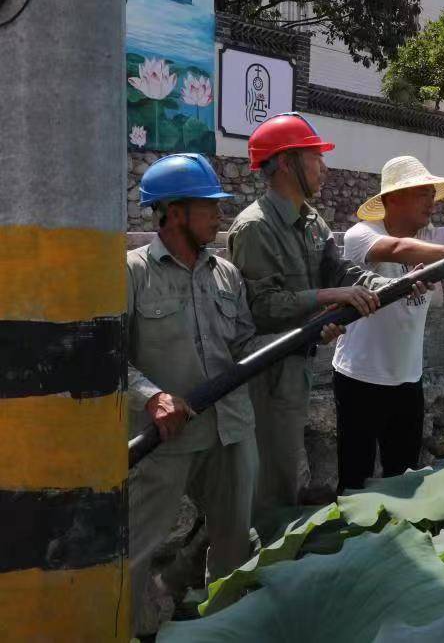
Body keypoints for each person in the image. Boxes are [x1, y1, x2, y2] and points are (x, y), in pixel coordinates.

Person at [125, 154, 310, 636]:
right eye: (208, 205)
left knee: (233, 546)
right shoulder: (132, 274)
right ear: (173, 212)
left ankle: (222, 628)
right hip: (165, 440)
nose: (219, 214)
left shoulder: (225, 274)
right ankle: (126, 630)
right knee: (134, 551)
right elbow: (107, 360)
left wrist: (305, 335)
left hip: (231, 429)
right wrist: (151, 396)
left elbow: (245, 345)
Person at [227, 113, 397, 529]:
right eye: (315, 157)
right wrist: (329, 297)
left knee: (284, 471)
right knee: (273, 478)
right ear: (286, 163)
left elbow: (339, 273)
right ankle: (259, 569)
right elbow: (262, 307)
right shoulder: (254, 228)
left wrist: (395, 284)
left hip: (298, 365)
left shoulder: (311, 220)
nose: (324, 168)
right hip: (266, 371)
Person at [332, 156, 444, 491]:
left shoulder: (434, 235)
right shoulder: (362, 235)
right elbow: (397, 248)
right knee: (354, 478)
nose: (431, 201)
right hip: (360, 377)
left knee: (404, 477)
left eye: (432, 193)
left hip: (407, 379)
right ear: (393, 199)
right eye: (422, 193)